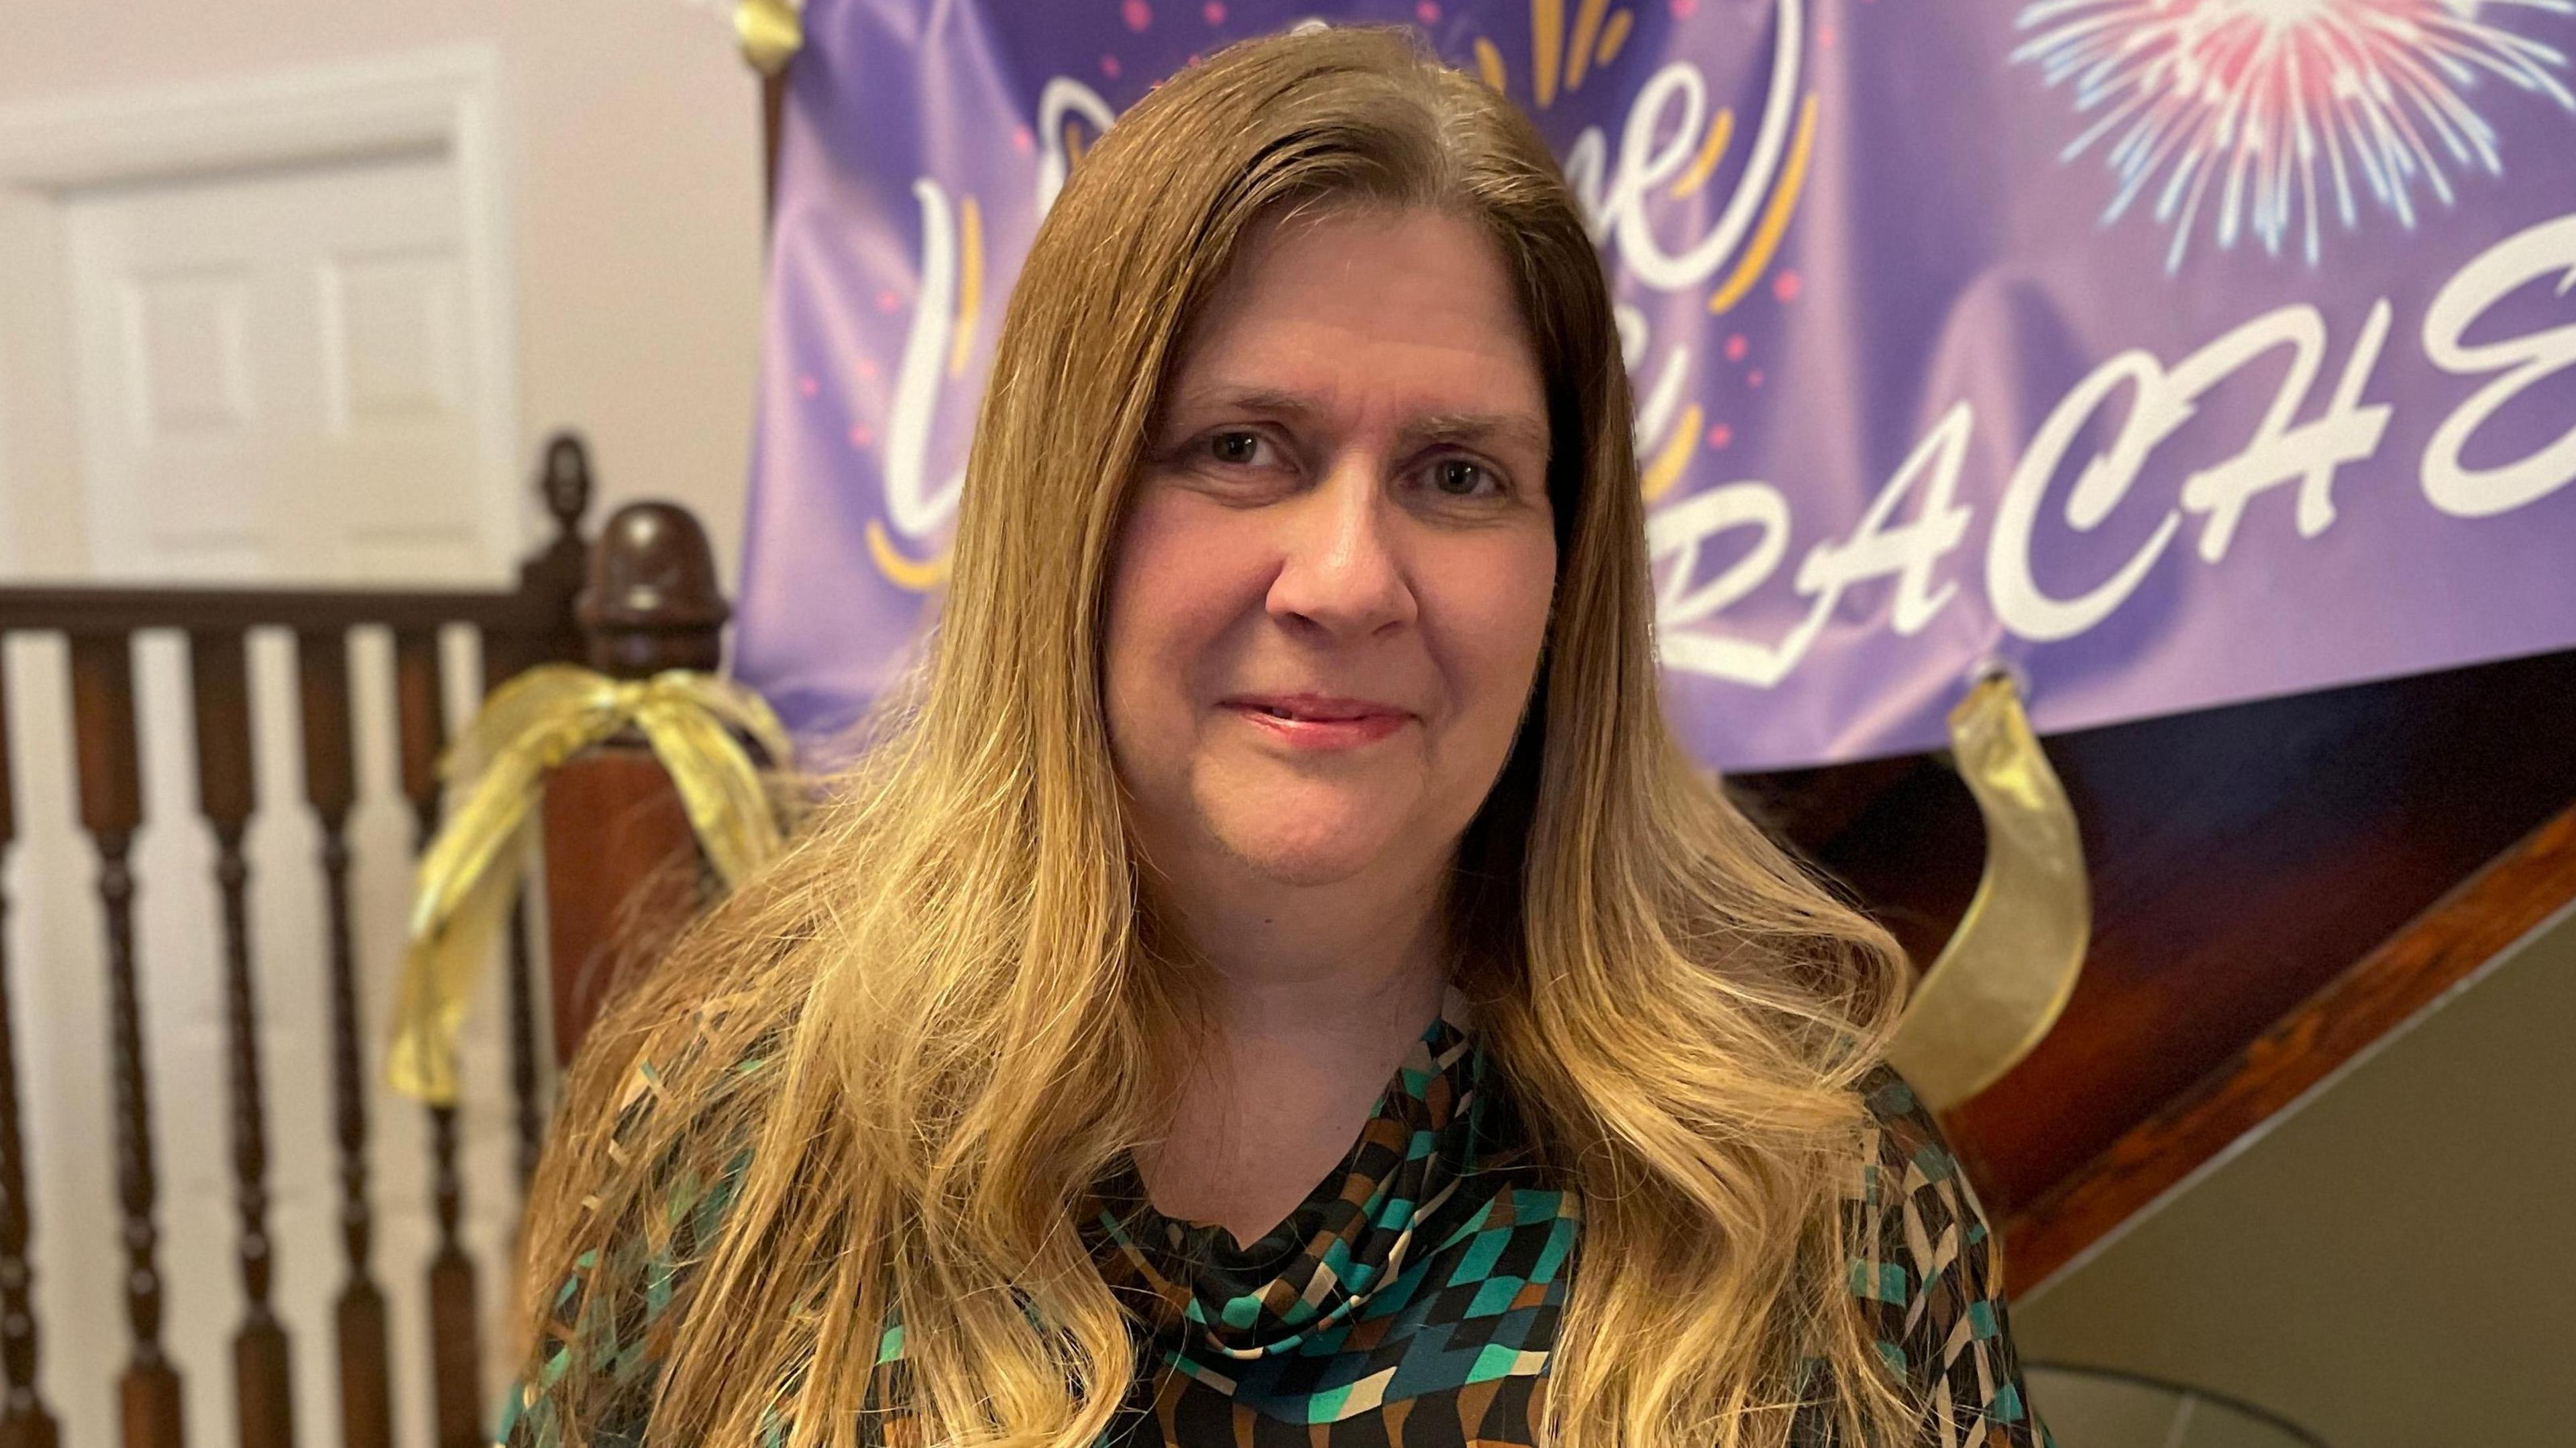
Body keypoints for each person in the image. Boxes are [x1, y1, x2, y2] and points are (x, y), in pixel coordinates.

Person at [501, 24, 2050, 1448]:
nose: (1348, 580)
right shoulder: (751, 1115)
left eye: (1458, 475)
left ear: (1566, 562)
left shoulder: (1807, 1189)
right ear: (1070, 519)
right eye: (1242, 449)